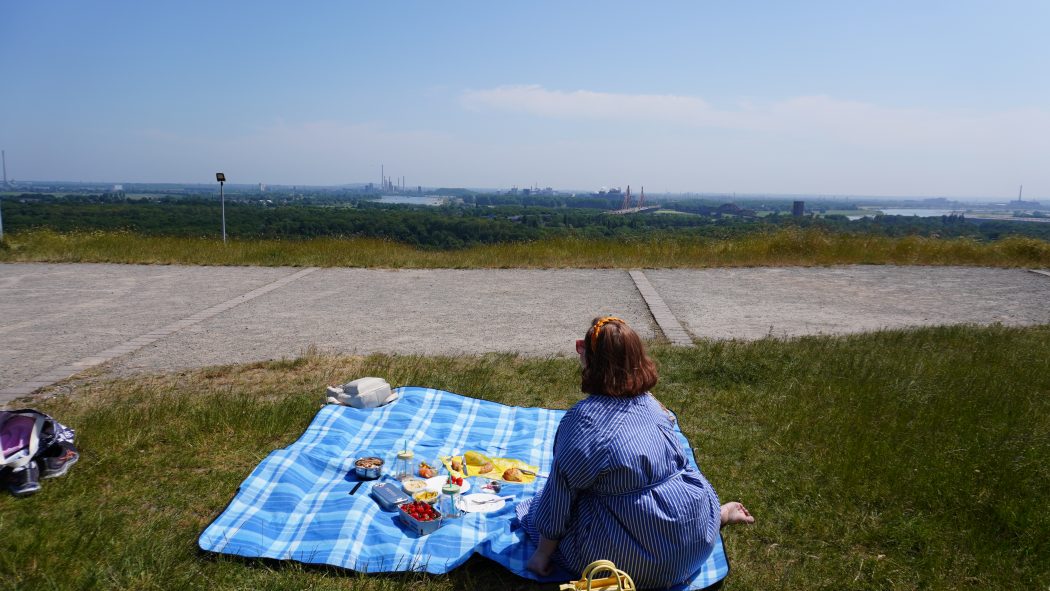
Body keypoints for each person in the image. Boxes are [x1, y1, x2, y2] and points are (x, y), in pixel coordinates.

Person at [517, 316, 754, 588]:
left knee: (541, 507)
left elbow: (559, 496)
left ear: (588, 359)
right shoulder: (655, 407)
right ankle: (720, 516)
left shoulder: (583, 422)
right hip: (696, 541)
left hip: (631, 566)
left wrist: (543, 554)